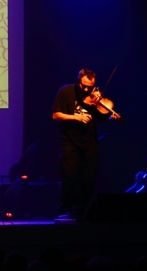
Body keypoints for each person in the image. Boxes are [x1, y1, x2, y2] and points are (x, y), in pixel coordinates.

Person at [51, 68, 121, 221]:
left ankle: (84, 210)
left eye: (90, 87)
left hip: (89, 142)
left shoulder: (95, 97)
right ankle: (66, 208)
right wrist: (76, 117)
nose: (87, 90)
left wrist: (110, 118)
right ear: (78, 81)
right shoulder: (65, 92)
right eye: (83, 86)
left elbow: (101, 117)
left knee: (88, 177)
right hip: (69, 141)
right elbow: (55, 115)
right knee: (69, 175)